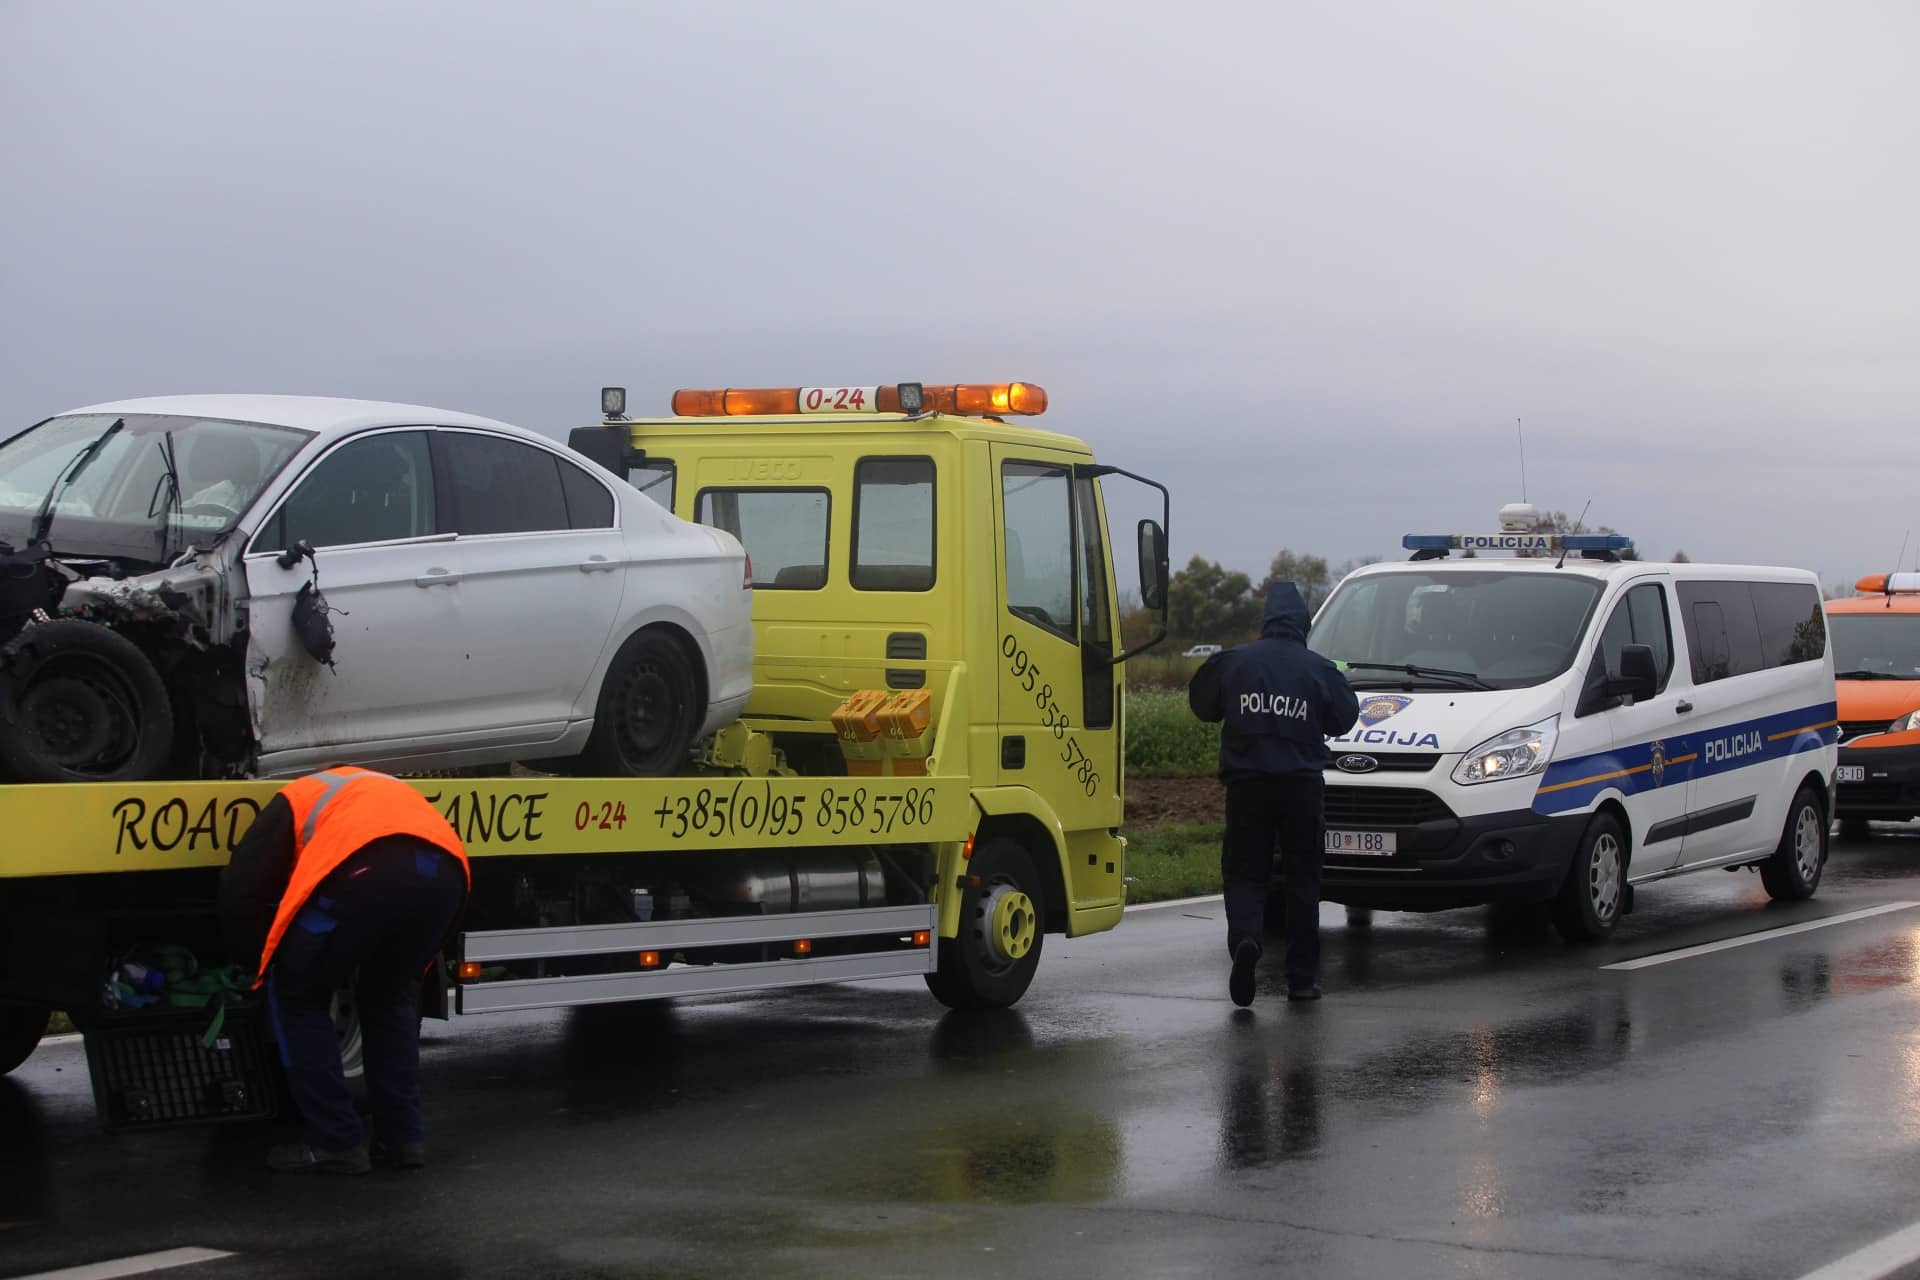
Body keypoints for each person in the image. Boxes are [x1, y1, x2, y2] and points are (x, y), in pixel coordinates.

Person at [220, 765, 469, 1174]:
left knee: (296, 995)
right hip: (446, 875)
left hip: (367, 869)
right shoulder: (369, 786)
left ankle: (335, 1142)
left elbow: (242, 890)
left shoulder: (293, 798)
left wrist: (252, 964)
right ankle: (402, 1139)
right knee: (389, 998)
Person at [1188, 581, 1359, 1007]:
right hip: (1301, 788)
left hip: (1247, 787)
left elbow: (1202, 705)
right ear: (1302, 623)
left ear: (1266, 620)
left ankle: (1247, 940)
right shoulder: (1318, 669)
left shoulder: (1234, 662)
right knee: (1303, 880)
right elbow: (1345, 718)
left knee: (1245, 873)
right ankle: (1301, 980)